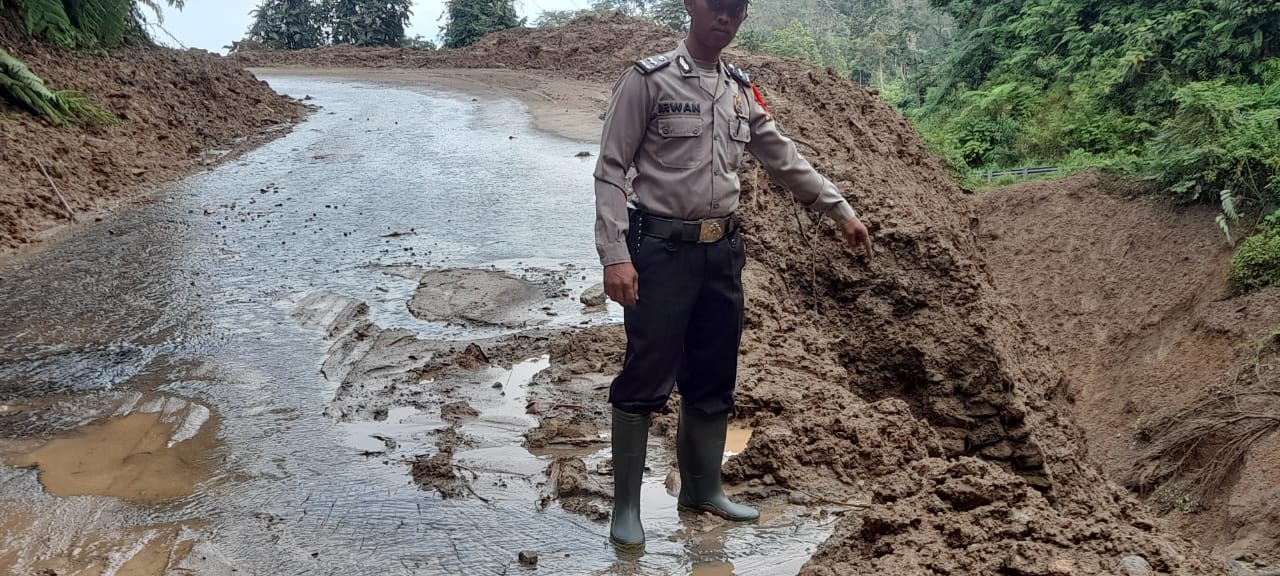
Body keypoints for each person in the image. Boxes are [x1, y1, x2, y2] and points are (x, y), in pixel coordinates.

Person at [593, 0, 874, 553]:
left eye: (736, 9)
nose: (725, 16)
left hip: (722, 253)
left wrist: (841, 211)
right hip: (660, 251)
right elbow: (610, 169)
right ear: (691, 6)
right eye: (716, 5)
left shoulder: (740, 90)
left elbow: (783, 159)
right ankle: (625, 508)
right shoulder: (647, 81)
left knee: (714, 372)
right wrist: (614, 254)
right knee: (647, 373)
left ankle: (702, 490)